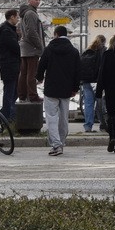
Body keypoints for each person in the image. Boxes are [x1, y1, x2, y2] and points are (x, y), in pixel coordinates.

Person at [36, 25, 80, 156]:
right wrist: (75, 88)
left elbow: (41, 66)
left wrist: (39, 78)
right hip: (66, 89)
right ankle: (62, 142)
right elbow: (78, 72)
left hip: (51, 88)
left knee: (51, 117)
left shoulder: (49, 49)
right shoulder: (74, 51)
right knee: (63, 118)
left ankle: (56, 144)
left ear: (55, 34)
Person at [0, 9, 21, 121]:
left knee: (14, 91)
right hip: (9, 65)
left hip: (11, 64)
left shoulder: (8, 30)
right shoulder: (6, 32)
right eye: (17, 17)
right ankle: (7, 116)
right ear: (12, 17)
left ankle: (4, 114)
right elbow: (15, 48)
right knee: (10, 91)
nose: (18, 19)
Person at [17, 0, 45, 103]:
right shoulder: (31, 14)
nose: (38, 2)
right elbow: (32, 32)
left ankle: (23, 95)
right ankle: (33, 96)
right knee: (31, 74)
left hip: (25, 48)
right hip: (31, 48)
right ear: (29, 0)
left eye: (39, 0)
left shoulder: (25, 13)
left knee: (24, 73)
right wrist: (40, 46)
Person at [79, 35, 106, 133]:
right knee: (101, 104)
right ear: (104, 42)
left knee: (88, 104)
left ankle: (88, 127)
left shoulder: (87, 51)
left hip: (86, 81)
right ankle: (103, 125)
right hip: (98, 81)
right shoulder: (103, 51)